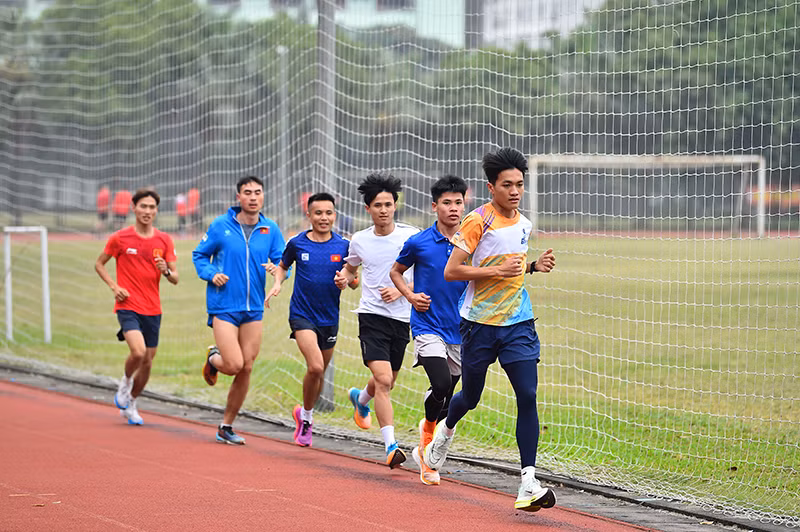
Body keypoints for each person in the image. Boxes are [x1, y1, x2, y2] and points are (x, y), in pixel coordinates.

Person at [423, 148, 557, 512]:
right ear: (491, 187)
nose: (515, 191)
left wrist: (532, 267)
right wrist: (497, 271)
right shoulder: (476, 221)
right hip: (478, 325)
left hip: (518, 322)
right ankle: (444, 431)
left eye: (519, 185)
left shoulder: (525, 223)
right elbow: (452, 271)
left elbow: (511, 268)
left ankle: (528, 481)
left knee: (527, 394)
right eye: (507, 185)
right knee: (470, 397)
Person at [192, 176, 286, 445]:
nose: (253, 197)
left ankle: (226, 426)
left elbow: (283, 262)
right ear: (238, 197)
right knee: (233, 365)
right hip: (224, 305)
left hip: (254, 307)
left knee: (247, 367)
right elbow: (200, 255)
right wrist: (211, 273)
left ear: (263, 196)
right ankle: (214, 358)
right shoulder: (221, 226)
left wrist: (277, 271)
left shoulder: (270, 229)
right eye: (247, 192)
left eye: (257, 192)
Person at [334, 172, 418, 469]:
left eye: (388, 204)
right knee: (383, 380)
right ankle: (391, 446)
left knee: (388, 381)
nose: (383, 210)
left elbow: (428, 272)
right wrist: (343, 278)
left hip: (402, 318)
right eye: (377, 205)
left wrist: (402, 290)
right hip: (371, 316)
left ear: (395, 206)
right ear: (368, 208)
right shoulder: (359, 240)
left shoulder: (411, 237)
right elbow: (350, 268)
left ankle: (361, 399)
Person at [389, 175, 468, 486]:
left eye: (458, 202)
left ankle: (427, 447)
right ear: (435, 206)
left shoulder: (472, 241)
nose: (453, 208)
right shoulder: (418, 242)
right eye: (446, 202)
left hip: (462, 329)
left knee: (448, 396)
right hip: (427, 325)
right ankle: (427, 439)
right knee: (441, 383)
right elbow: (396, 271)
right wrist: (410, 296)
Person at [264, 192, 359, 447]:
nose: (323, 217)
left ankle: (303, 412)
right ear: (309, 215)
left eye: (328, 213)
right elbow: (283, 266)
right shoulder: (297, 243)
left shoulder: (344, 246)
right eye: (318, 213)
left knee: (319, 373)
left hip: (329, 318)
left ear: (334, 215)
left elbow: (354, 280)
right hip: (302, 315)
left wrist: (346, 280)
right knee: (315, 367)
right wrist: (277, 283)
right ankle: (307, 418)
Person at [94, 188, 179, 426]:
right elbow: (99, 264)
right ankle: (125, 381)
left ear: (157, 211)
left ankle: (131, 402)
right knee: (139, 352)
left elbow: (175, 278)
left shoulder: (164, 240)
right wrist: (114, 287)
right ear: (133, 208)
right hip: (127, 304)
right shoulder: (120, 238)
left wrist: (166, 270)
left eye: (152, 207)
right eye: (143, 206)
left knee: (148, 361)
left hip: (153, 308)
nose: (147, 211)